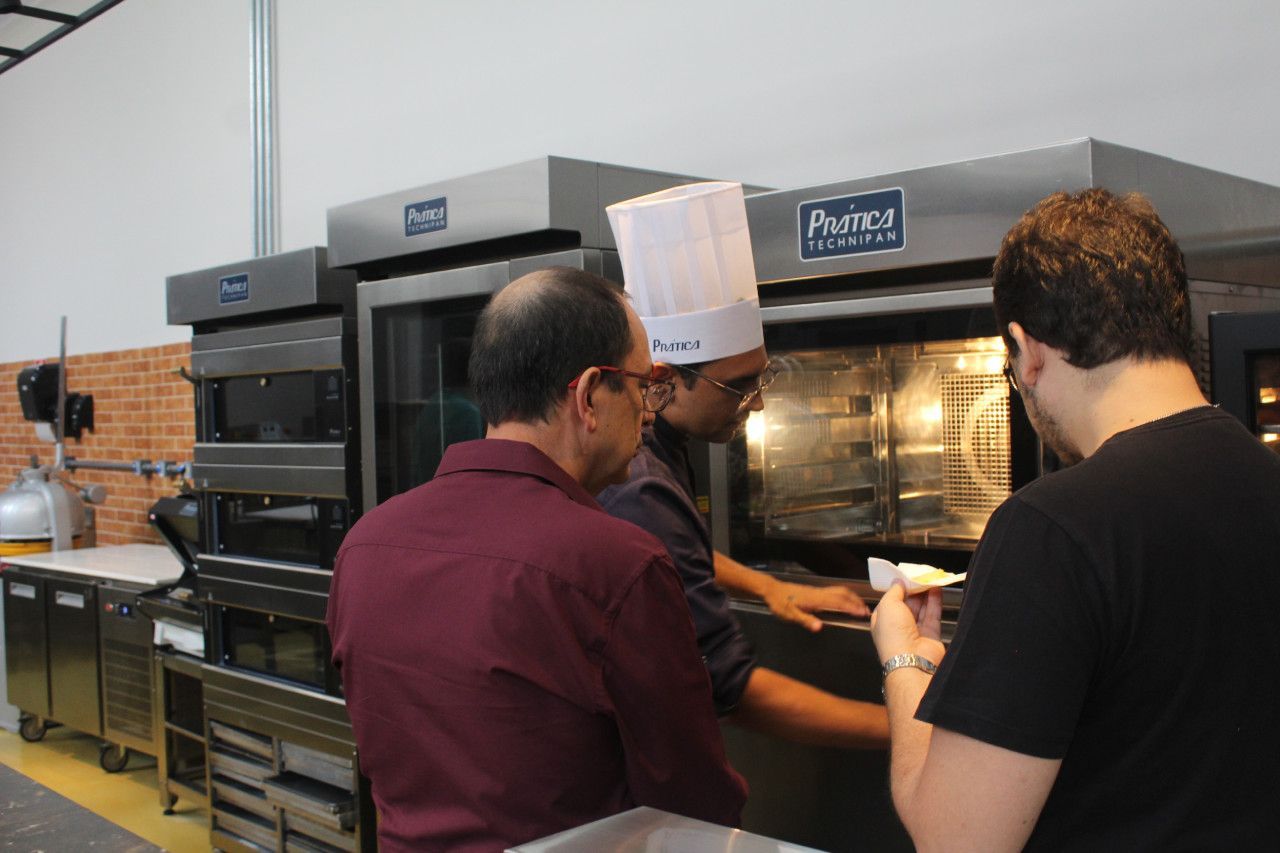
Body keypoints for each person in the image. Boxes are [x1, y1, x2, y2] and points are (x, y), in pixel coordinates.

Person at [870, 188, 1280, 850]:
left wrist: (906, 660)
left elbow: (956, 839)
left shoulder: (1052, 528)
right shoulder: (1262, 473)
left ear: (1025, 349)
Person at [327, 267, 747, 852]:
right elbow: (689, 802)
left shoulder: (366, 544)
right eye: (642, 386)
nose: (650, 412)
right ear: (589, 396)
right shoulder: (618, 564)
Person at [599, 182, 889, 747]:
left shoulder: (655, 446)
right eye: (737, 385)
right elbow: (728, 687)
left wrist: (766, 586)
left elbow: (670, 552)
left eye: (762, 376)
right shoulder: (640, 487)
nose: (757, 401)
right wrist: (911, 728)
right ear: (662, 380)